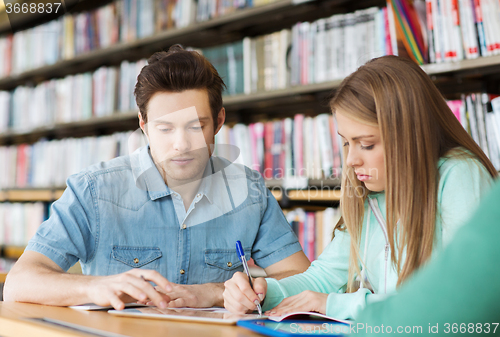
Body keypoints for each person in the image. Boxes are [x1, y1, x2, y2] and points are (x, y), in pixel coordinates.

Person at [3, 45, 310, 310]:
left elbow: (305, 280)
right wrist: (91, 287)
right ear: (144, 124)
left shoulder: (250, 192)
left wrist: (216, 293)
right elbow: (19, 284)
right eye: (165, 129)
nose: (181, 144)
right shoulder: (94, 191)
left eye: (195, 126)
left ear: (218, 121)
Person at [222, 55, 498, 320]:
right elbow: (325, 277)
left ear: (408, 136)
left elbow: (457, 297)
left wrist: (337, 304)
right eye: (346, 142)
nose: (351, 160)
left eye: (366, 144)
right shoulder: (367, 195)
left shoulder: (461, 175)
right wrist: (264, 292)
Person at [355, 180, 500, 336]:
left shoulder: (459, 171)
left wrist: (343, 305)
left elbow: (453, 303)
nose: (350, 161)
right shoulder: (373, 200)